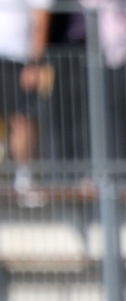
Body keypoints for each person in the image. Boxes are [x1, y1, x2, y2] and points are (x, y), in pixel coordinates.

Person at [1, 0, 52, 205]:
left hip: (18, 59)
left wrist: (34, 62)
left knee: (22, 121)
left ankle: (24, 181)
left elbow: (41, 18)